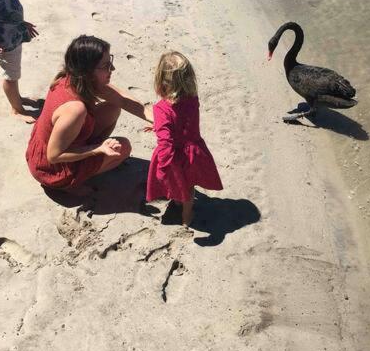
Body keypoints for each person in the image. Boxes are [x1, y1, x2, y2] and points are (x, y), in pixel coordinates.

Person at [26, 35, 153, 194]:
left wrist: (159, 120)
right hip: (50, 169)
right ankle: (74, 180)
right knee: (124, 148)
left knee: (113, 107)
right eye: (106, 65)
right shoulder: (75, 110)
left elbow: (123, 100)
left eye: (110, 61)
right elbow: (54, 155)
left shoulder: (73, 77)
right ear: (87, 71)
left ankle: (90, 157)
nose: (112, 69)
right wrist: (97, 148)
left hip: (49, 146)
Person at [146, 51, 223, 226]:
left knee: (178, 185)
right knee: (188, 185)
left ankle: (182, 210)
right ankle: (186, 214)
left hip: (175, 156)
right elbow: (183, 122)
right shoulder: (193, 100)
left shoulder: (161, 109)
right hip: (194, 152)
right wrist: (158, 125)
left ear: (160, 82)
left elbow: (166, 142)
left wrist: (163, 167)